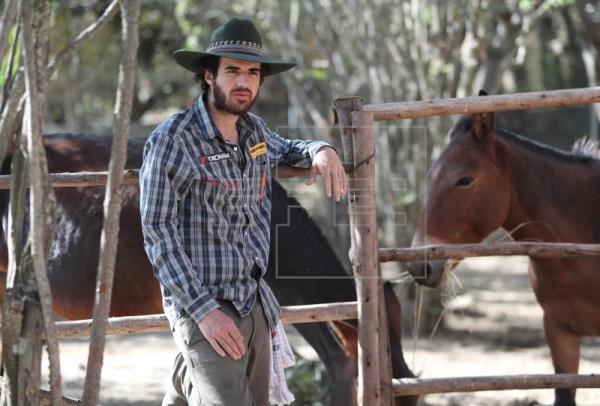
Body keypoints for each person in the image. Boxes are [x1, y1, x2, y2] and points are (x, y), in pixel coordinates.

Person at [139, 17, 347, 406]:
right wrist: (204, 313)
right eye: (232, 70)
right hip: (207, 309)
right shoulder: (173, 140)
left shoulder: (254, 131)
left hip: (253, 306)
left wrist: (322, 149)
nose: (243, 82)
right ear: (207, 74)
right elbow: (157, 234)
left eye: (252, 73)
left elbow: (288, 149)